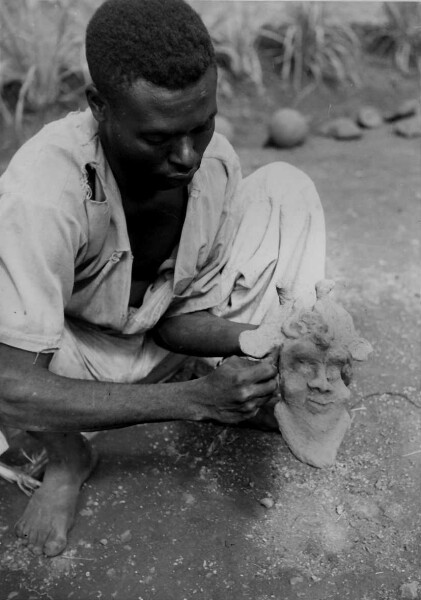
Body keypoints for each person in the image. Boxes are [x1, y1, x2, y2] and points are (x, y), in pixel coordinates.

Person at [0, 0, 325, 557]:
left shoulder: (213, 162)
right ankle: (67, 458)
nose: (186, 155)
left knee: (285, 188)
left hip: (155, 343)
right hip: (69, 359)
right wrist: (195, 401)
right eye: (158, 138)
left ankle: (243, 388)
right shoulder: (45, 191)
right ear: (99, 107)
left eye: (202, 126)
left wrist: (255, 339)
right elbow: (11, 387)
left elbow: (174, 318)